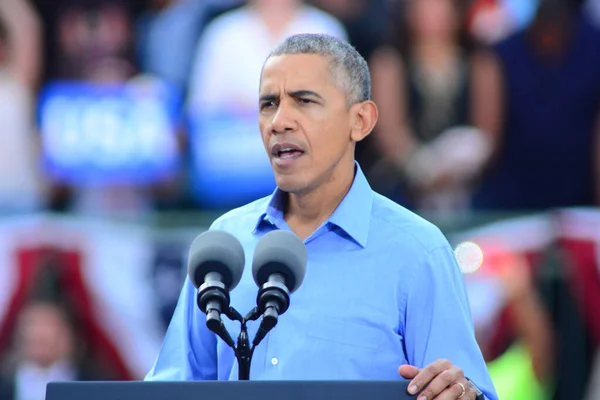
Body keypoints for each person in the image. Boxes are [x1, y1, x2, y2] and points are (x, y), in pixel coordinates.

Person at [146, 33, 497, 400]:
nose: (279, 121)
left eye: (304, 101)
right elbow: (171, 386)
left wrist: (462, 394)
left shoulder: (418, 252)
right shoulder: (225, 243)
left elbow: (464, 390)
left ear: (360, 120)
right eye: (268, 104)